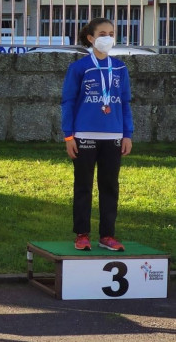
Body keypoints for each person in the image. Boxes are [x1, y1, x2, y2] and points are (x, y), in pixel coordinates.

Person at [61, 17, 133, 251]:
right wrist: (68, 136)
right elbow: (68, 101)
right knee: (83, 186)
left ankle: (107, 235)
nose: (108, 38)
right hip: (84, 136)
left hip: (113, 136)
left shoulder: (120, 68)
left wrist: (127, 134)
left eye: (111, 33)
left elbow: (125, 103)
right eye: (102, 33)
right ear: (91, 38)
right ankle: (82, 234)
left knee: (110, 186)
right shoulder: (79, 67)